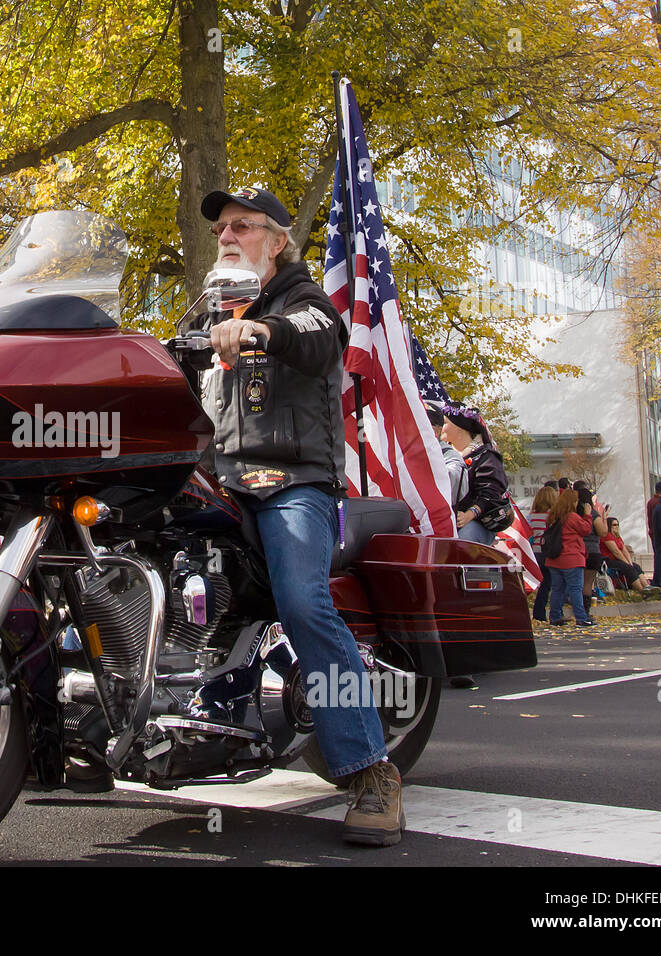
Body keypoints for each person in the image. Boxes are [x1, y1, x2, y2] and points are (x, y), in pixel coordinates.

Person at [199, 184, 403, 846]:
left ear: (276, 240)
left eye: (241, 226)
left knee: (302, 602)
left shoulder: (304, 302)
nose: (227, 236)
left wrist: (257, 328)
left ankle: (370, 769)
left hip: (291, 479)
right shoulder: (207, 312)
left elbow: (313, 339)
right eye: (221, 229)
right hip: (222, 479)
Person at [441, 405, 510, 545]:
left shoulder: (486, 456)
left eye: (446, 423)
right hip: (448, 520)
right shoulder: (443, 455)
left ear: (459, 428)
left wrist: (469, 515)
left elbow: (491, 493)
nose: (442, 427)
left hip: (477, 522)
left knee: (464, 543)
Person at [546, 488, 594, 626]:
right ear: (572, 502)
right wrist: (588, 515)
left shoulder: (553, 517)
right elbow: (585, 530)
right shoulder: (572, 517)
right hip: (572, 558)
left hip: (554, 559)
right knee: (575, 589)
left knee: (557, 589)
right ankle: (581, 617)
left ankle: (555, 616)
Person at [574, 484, 609, 617]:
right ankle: (585, 610)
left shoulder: (572, 514)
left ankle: (577, 607)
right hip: (592, 551)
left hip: (576, 550)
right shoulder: (593, 514)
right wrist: (604, 517)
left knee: (576, 583)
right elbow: (603, 532)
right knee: (588, 583)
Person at [424, 402, 468, 508]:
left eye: (421, 425)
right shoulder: (401, 452)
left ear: (437, 431)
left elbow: (455, 475)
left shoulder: (449, 456)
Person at [527, 484, 559, 621]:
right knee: (548, 584)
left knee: (538, 583)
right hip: (548, 552)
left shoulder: (531, 517)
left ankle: (538, 613)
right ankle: (541, 613)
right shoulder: (552, 517)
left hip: (534, 552)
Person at [601, 516, 650, 593]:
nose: (616, 526)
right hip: (610, 561)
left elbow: (625, 551)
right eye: (614, 525)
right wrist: (627, 563)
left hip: (619, 560)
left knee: (636, 566)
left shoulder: (617, 537)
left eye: (617, 524)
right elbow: (616, 552)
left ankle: (647, 587)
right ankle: (642, 591)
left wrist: (630, 562)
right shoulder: (606, 536)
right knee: (629, 568)